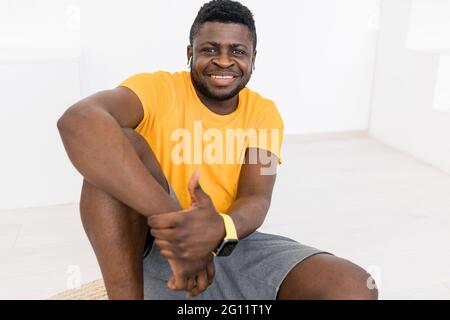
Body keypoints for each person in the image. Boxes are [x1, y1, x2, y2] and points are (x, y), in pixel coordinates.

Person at [57, 0, 378, 300]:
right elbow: (77, 121)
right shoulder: (156, 88)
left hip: (227, 242)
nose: (224, 60)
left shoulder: (264, 114)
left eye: (237, 51)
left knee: (354, 287)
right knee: (114, 146)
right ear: (189, 53)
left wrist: (213, 233)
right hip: (152, 244)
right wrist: (181, 231)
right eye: (210, 49)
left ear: (253, 58)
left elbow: (257, 198)